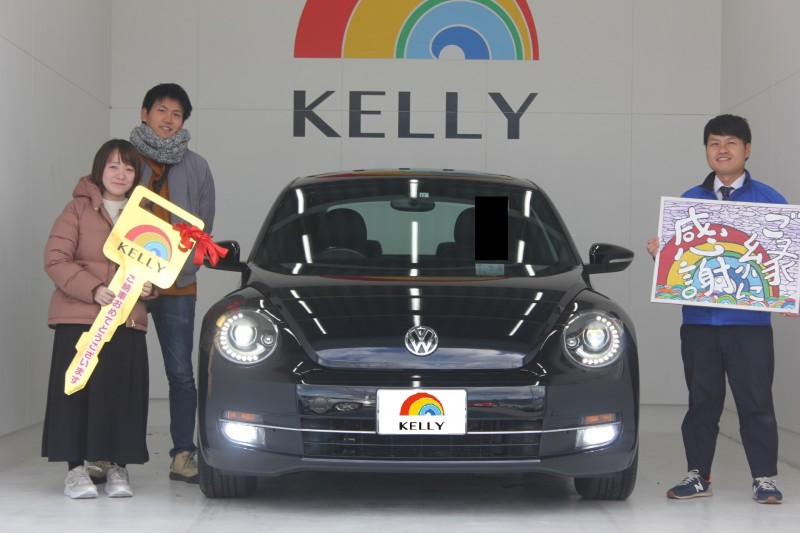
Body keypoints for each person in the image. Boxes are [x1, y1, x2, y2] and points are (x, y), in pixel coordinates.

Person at [647, 114, 785, 504]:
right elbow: (680, 265)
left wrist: (790, 293)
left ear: (747, 149)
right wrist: (661, 255)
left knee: (756, 401)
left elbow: (784, 260)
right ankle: (698, 475)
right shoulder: (688, 201)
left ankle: (764, 478)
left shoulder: (770, 201)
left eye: (731, 143)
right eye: (714, 143)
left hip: (750, 323)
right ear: (706, 150)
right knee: (701, 401)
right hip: (699, 321)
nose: (722, 150)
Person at [43, 139, 156, 498]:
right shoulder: (76, 209)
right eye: (113, 166)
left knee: (122, 394)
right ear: (99, 169)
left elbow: (156, 266)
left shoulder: (146, 216)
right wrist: (92, 289)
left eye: (129, 168)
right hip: (80, 317)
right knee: (76, 393)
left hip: (126, 319)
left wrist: (151, 288)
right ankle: (75, 471)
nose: (121, 174)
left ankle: (118, 468)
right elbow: (55, 258)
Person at [129, 83, 216, 484]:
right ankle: (109, 454)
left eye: (176, 114)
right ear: (144, 113)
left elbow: (203, 229)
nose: (168, 119)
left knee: (181, 373)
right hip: (126, 280)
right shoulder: (125, 158)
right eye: (161, 110)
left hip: (177, 284)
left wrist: (172, 270)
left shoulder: (197, 166)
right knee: (119, 368)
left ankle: (183, 454)